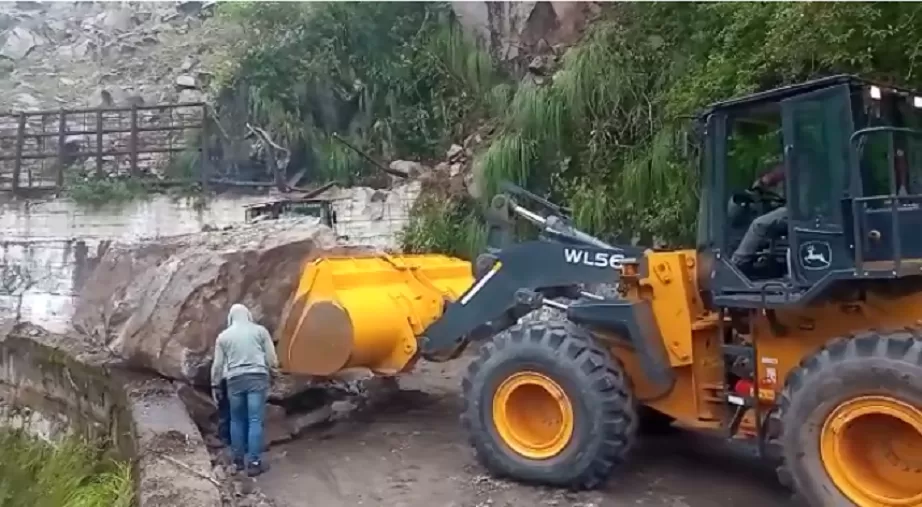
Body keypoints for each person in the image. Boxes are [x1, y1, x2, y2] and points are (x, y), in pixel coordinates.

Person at [211, 303, 279, 477]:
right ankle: (254, 463)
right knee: (255, 419)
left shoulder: (223, 337)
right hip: (257, 377)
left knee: (236, 420)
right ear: (248, 315)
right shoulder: (260, 331)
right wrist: (274, 371)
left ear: (230, 318)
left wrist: (215, 385)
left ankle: (238, 461)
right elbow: (271, 358)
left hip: (234, 380)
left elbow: (218, 366)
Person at [730, 163, 787, 270]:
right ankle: (770, 259)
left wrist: (765, 181)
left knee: (759, 224)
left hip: (800, 211)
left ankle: (736, 263)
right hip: (797, 208)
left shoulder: (800, 163)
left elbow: (778, 174)